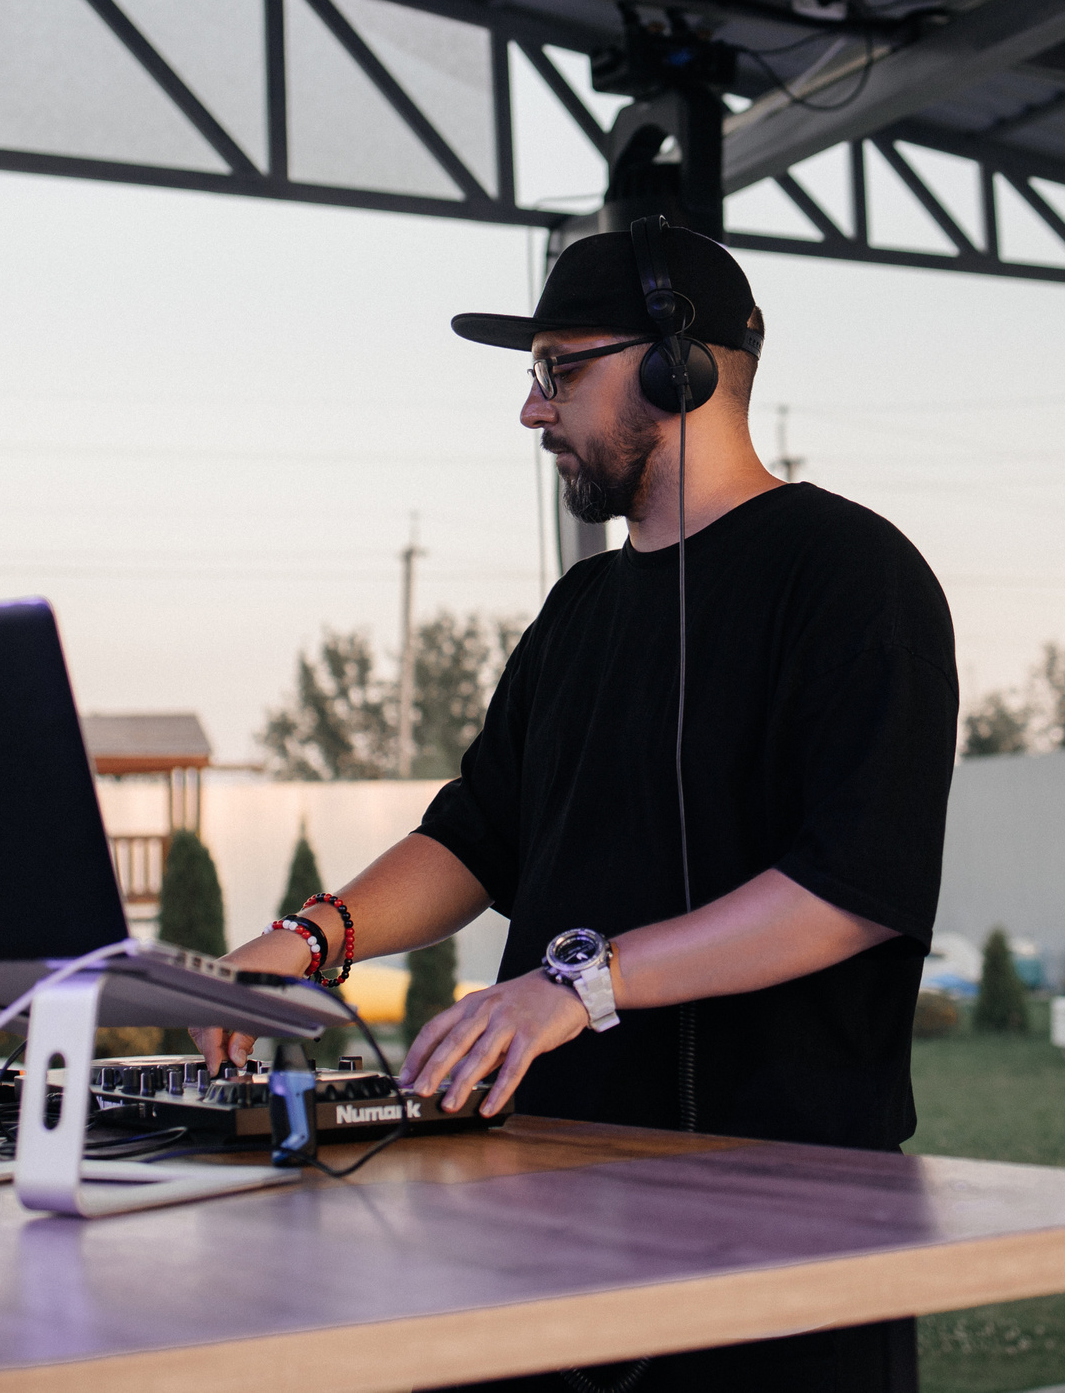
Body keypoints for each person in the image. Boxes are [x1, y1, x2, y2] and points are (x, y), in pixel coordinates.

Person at [197, 221, 956, 1392]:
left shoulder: (853, 575)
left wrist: (575, 986)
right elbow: (476, 833)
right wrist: (309, 941)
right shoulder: (579, 611)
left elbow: (851, 889)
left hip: (783, 1209)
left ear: (677, 366)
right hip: (544, 1182)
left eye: (560, 370)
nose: (532, 411)